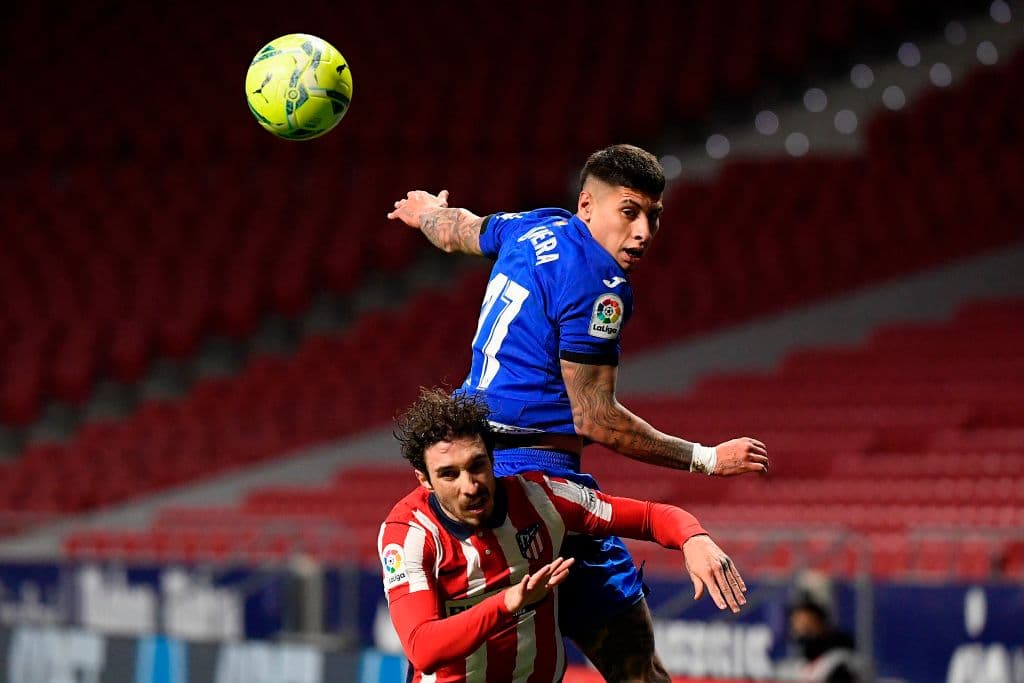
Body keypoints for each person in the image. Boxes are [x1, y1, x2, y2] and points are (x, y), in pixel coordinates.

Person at [387, 144, 768, 681]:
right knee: (636, 670)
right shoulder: (598, 285)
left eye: (654, 217)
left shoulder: (534, 226)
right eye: (629, 212)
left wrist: (425, 213)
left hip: (473, 471)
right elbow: (596, 419)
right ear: (588, 205)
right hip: (536, 485)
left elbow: (460, 229)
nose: (643, 233)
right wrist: (704, 458)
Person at [379, 389, 748, 683]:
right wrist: (508, 602)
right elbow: (422, 648)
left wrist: (692, 537)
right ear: (424, 480)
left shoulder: (542, 497)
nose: (470, 486)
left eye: (477, 465)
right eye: (449, 475)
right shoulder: (407, 535)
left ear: (493, 458)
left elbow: (650, 517)